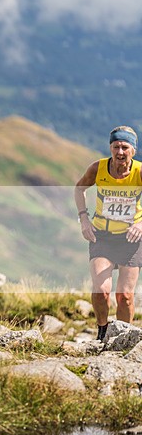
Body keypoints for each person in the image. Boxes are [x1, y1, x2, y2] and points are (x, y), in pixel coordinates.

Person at [74, 126, 142, 341]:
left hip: (131, 239)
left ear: (133, 150)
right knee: (102, 290)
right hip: (102, 236)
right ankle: (102, 332)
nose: (120, 152)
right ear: (110, 148)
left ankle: (122, 337)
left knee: (125, 296)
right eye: (115, 147)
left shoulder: (140, 172)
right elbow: (79, 189)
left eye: (124, 147)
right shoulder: (98, 168)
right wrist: (84, 217)